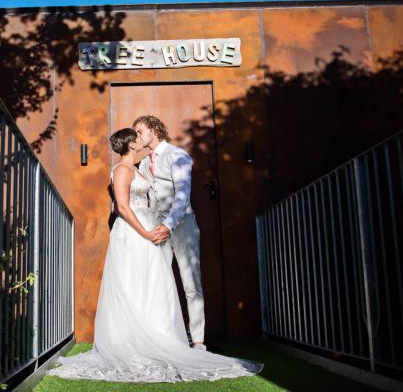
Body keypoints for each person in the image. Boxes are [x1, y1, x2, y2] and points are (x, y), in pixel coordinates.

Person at [47, 128, 261, 382]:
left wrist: (153, 230)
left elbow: (173, 193)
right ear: (130, 143)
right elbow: (123, 207)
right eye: (136, 136)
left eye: (141, 132)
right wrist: (146, 233)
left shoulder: (141, 165)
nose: (140, 138)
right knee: (134, 283)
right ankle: (134, 342)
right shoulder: (124, 170)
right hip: (135, 232)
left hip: (152, 227)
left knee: (153, 284)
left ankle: (161, 335)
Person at [133, 114, 206, 349]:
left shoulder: (177, 155)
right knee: (160, 283)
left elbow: (183, 195)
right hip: (157, 229)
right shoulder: (144, 163)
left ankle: (198, 341)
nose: (137, 136)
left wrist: (168, 225)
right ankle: (166, 338)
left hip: (182, 225)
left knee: (191, 284)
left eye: (140, 131)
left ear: (154, 129)